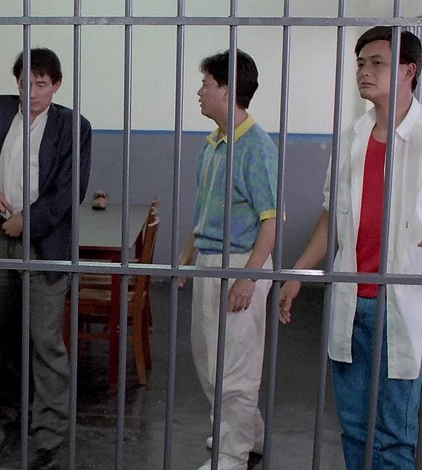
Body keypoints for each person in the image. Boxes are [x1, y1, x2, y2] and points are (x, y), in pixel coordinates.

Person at [279, 27, 422, 469]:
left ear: (409, 71)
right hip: (352, 301)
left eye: (377, 63)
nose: (364, 71)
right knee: (355, 429)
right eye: (361, 63)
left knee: (395, 436)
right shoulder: (352, 138)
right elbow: (333, 218)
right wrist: (299, 273)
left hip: (404, 303)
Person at [0, 47, 92, 470]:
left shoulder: (73, 126)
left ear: (57, 85)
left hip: (43, 241)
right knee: (9, 327)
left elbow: (70, 191)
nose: (31, 92)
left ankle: (50, 427)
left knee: (44, 335)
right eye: (24, 82)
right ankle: (25, 405)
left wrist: (26, 222)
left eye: (41, 84)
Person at [177, 49, 278, 470]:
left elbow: (271, 222)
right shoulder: (214, 144)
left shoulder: (256, 147)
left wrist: (248, 278)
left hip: (240, 262)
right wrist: (188, 253)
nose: (199, 92)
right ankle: (245, 435)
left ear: (228, 89)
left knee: (235, 367)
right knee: (210, 362)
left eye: (206, 84)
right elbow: (206, 208)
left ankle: (232, 455)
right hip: (210, 261)